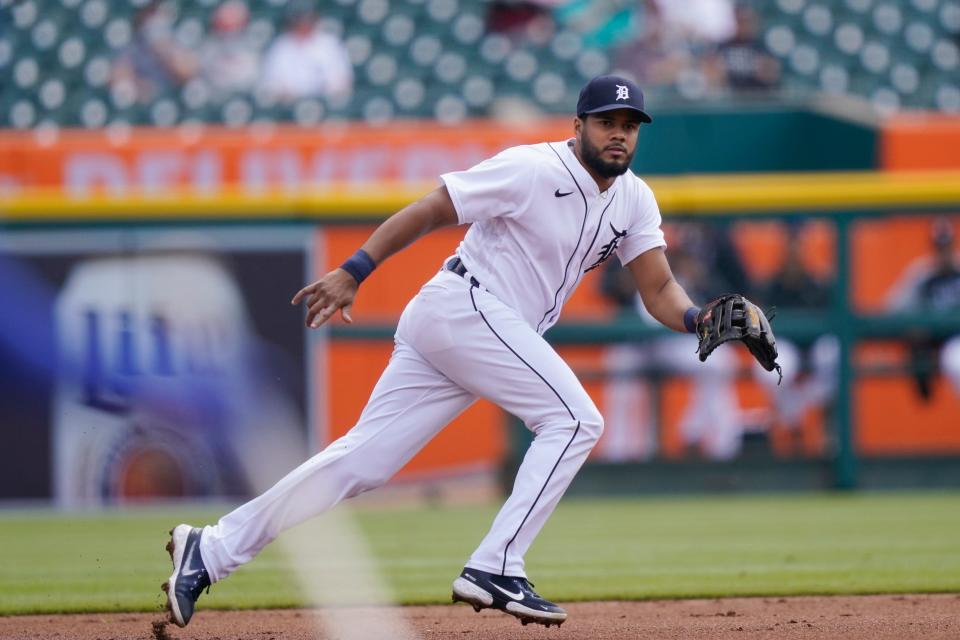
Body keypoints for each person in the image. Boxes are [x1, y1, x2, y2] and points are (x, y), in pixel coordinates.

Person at [161, 75, 746, 629]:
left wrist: (700, 318)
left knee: (361, 463)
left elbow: (659, 289)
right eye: (606, 121)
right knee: (573, 420)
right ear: (577, 125)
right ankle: (496, 565)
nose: (619, 133)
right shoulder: (532, 167)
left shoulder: (635, 199)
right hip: (467, 305)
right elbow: (433, 207)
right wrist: (354, 269)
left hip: (474, 324)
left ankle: (210, 550)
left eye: (630, 124)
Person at [599, 224, 746, 461]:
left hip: (676, 340)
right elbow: (606, 287)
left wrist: (699, 278)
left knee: (719, 361)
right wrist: (625, 282)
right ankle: (620, 456)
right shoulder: (627, 234)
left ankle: (719, 447)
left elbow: (730, 290)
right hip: (635, 341)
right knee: (619, 366)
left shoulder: (698, 241)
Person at [750, 224, 837, 454]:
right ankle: (793, 422)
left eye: (798, 248)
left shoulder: (817, 284)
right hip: (786, 348)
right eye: (789, 248)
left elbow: (834, 322)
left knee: (834, 354)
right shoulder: (771, 286)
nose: (793, 254)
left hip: (816, 349)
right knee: (766, 369)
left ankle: (826, 431)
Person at [886, 217, 960, 398]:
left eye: (946, 246)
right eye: (939, 247)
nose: (943, 252)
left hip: (956, 340)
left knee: (955, 358)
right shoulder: (922, 274)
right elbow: (890, 310)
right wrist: (912, 325)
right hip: (934, 345)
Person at [258, 0, 353, 104]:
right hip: (289, 107)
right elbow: (271, 83)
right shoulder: (280, 46)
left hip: (326, 105)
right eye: (299, 19)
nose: (304, 23)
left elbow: (341, 81)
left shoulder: (329, 44)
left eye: (307, 19)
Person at [111, 1, 197, 105]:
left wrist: (164, 49)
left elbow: (187, 72)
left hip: (173, 99)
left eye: (154, 13)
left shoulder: (178, 37)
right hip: (145, 102)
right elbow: (119, 78)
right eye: (149, 15)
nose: (152, 22)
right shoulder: (134, 45)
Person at [198, 0, 262, 100]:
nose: (228, 19)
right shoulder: (209, 44)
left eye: (233, 15)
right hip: (212, 95)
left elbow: (250, 78)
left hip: (242, 96)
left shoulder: (252, 45)